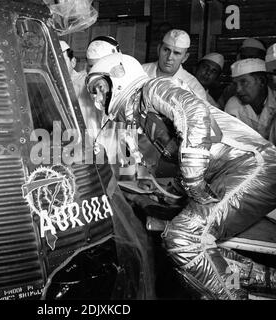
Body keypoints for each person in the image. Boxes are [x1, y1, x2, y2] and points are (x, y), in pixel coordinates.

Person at [86, 53, 276, 299]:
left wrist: (193, 180)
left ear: (119, 76)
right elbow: (185, 149)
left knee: (184, 238)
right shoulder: (143, 114)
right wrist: (176, 191)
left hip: (254, 166)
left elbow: (194, 113)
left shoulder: (153, 88)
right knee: (192, 244)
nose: (99, 100)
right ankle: (262, 279)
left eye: (100, 89)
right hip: (236, 171)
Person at [142, 29, 207, 100]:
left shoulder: (194, 88)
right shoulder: (139, 71)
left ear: (185, 58)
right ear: (158, 49)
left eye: (176, 53)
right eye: (166, 50)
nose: (169, 57)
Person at [224, 58, 276, 145]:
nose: (238, 90)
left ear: (261, 82)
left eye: (243, 82)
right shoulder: (233, 105)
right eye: (235, 84)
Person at [60, 40, 102, 137]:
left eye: (62, 61)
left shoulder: (84, 80)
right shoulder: (48, 85)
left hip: (95, 141)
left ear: (73, 62)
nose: (57, 66)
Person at [217, 38, 266, 108]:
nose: (248, 61)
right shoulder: (230, 90)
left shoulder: (272, 85)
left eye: (252, 57)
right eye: (244, 57)